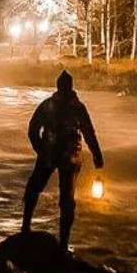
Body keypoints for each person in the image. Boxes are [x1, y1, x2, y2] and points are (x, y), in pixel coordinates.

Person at [21, 69, 104, 251]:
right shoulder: (74, 107)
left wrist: (39, 147)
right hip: (63, 155)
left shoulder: (51, 105)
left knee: (41, 191)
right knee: (57, 196)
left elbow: (33, 129)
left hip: (59, 154)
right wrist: (97, 155)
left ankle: (32, 230)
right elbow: (89, 133)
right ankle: (58, 241)